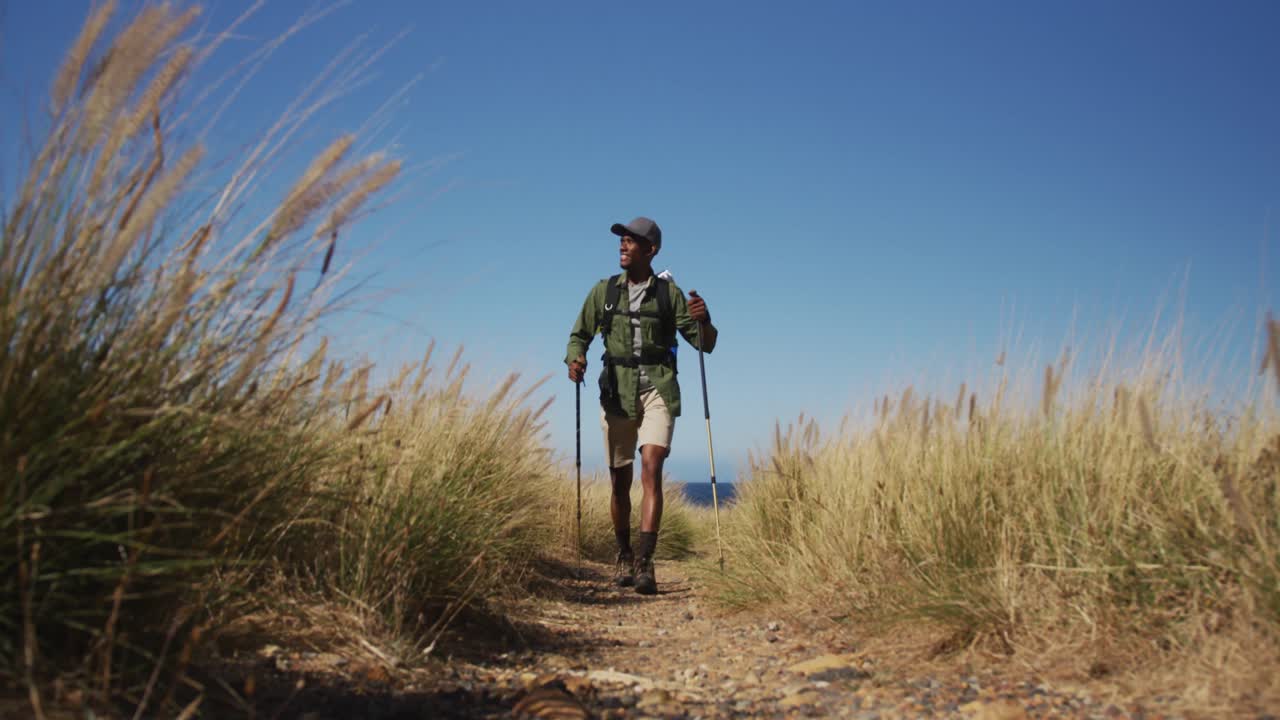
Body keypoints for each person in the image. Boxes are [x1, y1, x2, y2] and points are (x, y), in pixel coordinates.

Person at [565, 216, 718, 595]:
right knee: (620, 480)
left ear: (651, 250)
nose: (623, 245)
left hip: (658, 391)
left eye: (632, 241)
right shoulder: (602, 292)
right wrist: (575, 359)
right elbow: (578, 335)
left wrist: (706, 319)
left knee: (652, 467)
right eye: (622, 240)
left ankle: (646, 565)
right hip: (614, 391)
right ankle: (623, 554)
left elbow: (706, 343)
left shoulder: (670, 294)